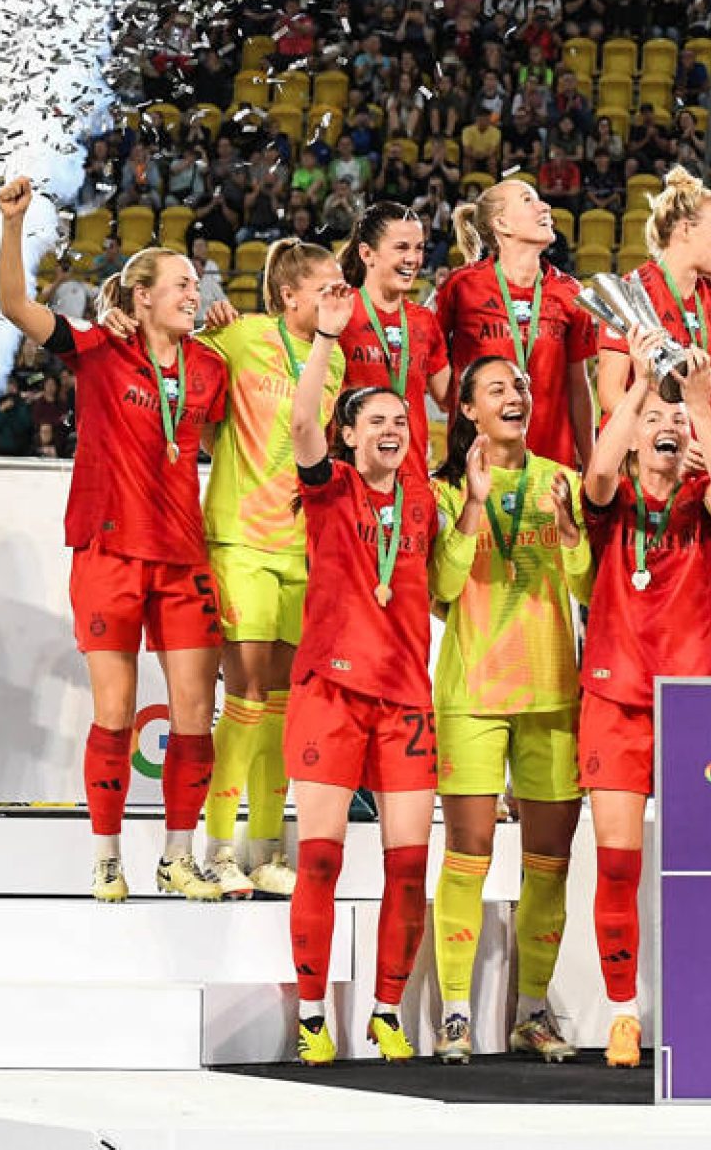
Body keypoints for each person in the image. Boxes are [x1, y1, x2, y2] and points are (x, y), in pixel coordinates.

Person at [0, 177, 228, 904]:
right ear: (142, 297)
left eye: (196, 283)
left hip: (183, 556)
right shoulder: (100, 349)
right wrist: (13, 225)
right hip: (109, 551)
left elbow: (229, 441)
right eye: (181, 283)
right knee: (116, 712)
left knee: (195, 715)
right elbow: (16, 306)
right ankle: (106, 856)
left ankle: (179, 857)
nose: (194, 292)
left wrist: (233, 333)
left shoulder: (211, 365)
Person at [283, 287, 442, 1066]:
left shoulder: (425, 498)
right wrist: (326, 338)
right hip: (330, 691)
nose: (391, 430)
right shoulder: (329, 488)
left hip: (406, 697)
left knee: (408, 868)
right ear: (348, 435)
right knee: (320, 858)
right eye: (376, 420)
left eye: (401, 421)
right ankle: (313, 1015)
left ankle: (385, 1011)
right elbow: (301, 425)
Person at [577, 333, 711, 1067]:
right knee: (618, 864)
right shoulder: (611, 506)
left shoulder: (702, 507)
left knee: (700, 866)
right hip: (615, 698)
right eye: (654, 421)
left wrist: (699, 406)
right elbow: (598, 471)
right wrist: (640, 386)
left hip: (692, 703)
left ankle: (702, 1003)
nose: (666, 426)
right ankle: (622, 1014)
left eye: (676, 423)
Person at [427, 357, 593, 1063]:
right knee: (467, 853)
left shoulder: (563, 481)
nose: (514, 395)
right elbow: (441, 586)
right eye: (496, 388)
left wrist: (570, 532)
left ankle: (531, 1012)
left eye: (520, 385)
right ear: (468, 409)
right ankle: (455, 1014)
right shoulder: (442, 490)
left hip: (552, 690)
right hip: (472, 692)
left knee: (549, 863)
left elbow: (589, 588)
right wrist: (472, 504)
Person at [193, 240, 349, 899]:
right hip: (240, 540)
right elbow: (190, 391)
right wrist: (207, 325)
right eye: (327, 287)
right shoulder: (242, 336)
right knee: (247, 696)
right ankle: (216, 848)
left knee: (282, 705)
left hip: (298, 548)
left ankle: (264, 850)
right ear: (289, 295)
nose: (340, 296)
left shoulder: (335, 357)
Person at [434, 181, 599, 467]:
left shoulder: (569, 291)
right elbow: (428, 349)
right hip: (479, 466)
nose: (544, 206)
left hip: (550, 468)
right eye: (527, 200)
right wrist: (450, 402)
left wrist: (590, 463)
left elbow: (578, 387)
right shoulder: (462, 286)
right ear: (502, 223)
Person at [596, 166, 711, 420]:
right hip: (646, 442)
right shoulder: (632, 293)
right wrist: (662, 432)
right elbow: (610, 394)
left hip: (701, 444)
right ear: (685, 229)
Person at [337, 202, 453, 483]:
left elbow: (449, 398)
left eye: (419, 248)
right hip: (351, 482)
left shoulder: (424, 321)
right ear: (367, 253)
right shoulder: (339, 312)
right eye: (401, 248)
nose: (413, 259)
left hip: (411, 482)